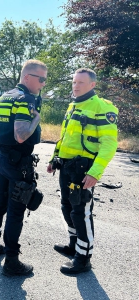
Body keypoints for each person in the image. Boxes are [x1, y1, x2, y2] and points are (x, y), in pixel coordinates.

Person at [47, 68, 118, 274]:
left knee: (81, 212)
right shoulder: (73, 105)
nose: (75, 86)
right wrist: (54, 158)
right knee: (66, 206)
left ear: (92, 85)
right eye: (74, 82)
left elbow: (109, 144)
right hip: (66, 165)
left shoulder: (101, 107)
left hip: (84, 168)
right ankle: (73, 245)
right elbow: (65, 136)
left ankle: (83, 258)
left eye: (80, 82)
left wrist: (95, 172)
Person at [0, 59, 47, 276]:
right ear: (28, 77)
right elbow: (21, 136)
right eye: (41, 79)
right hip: (18, 162)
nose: (43, 84)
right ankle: (11, 261)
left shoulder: (5, 96)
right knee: (16, 211)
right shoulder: (26, 99)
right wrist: (36, 120)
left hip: (2, 158)